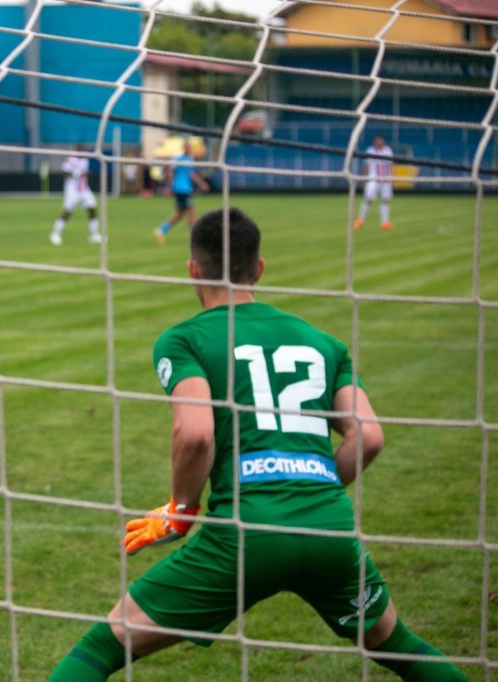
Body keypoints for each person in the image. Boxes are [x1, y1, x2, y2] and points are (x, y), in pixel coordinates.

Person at [49, 207, 466, 682]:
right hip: (331, 530)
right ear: (260, 268)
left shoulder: (184, 340)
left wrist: (181, 510)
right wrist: (312, 486)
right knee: (398, 646)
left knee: (104, 646)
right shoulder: (324, 343)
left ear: (193, 269)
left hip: (245, 534)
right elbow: (368, 436)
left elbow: (196, 433)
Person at [154, 139, 209, 245]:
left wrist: (201, 183)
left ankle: (160, 230)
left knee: (180, 214)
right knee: (191, 211)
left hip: (184, 189)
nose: (190, 149)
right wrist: (169, 186)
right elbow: (171, 171)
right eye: (188, 147)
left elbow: (192, 174)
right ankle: (194, 236)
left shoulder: (189, 159)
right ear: (185, 148)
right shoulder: (179, 158)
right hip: (181, 189)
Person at [49, 146, 101, 246]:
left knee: (92, 209)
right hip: (72, 190)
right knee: (68, 211)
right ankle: (55, 233)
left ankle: (94, 234)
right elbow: (63, 172)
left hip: (84, 189)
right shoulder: (71, 159)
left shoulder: (85, 159)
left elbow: (85, 173)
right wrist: (75, 173)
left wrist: (86, 174)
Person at [355, 135, 394, 231]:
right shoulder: (370, 150)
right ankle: (360, 220)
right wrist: (364, 178)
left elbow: (391, 165)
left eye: (380, 140)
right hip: (373, 179)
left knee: (385, 200)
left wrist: (392, 177)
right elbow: (366, 165)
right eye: (377, 140)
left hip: (386, 179)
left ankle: (384, 222)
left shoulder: (388, 151)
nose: (378, 142)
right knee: (368, 199)